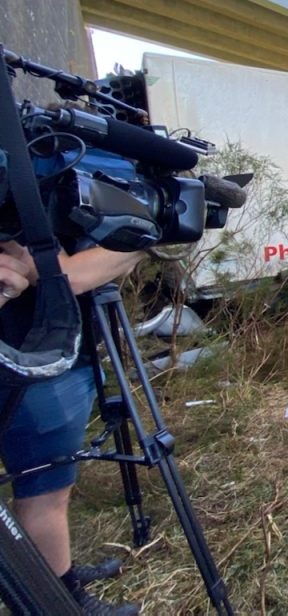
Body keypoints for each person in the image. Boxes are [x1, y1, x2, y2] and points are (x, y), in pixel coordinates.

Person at [0, 239, 145, 615]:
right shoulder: (17, 201)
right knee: (44, 491)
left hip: (62, 348)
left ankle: (55, 567)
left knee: (51, 487)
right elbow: (71, 276)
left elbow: (102, 268)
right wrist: (147, 233)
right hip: (33, 356)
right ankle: (62, 599)